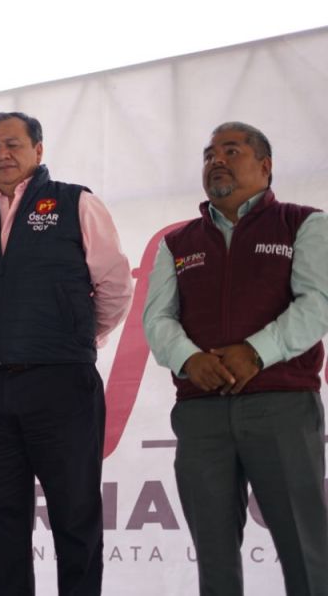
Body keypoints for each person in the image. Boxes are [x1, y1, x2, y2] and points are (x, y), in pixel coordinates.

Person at [0, 112, 132, 596]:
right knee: (3, 519)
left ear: (38, 150)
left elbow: (115, 284)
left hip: (62, 382)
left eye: (12, 144)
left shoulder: (75, 202)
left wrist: (74, 339)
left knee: (75, 514)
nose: (2, 154)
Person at [142, 121, 328, 595]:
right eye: (209, 155)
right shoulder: (176, 243)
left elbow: (317, 304)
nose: (216, 161)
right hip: (201, 413)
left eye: (231, 151)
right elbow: (157, 319)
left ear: (265, 166)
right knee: (215, 561)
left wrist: (256, 353)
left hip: (282, 407)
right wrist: (189, 360)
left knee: (307, 552)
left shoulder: (304, 223)